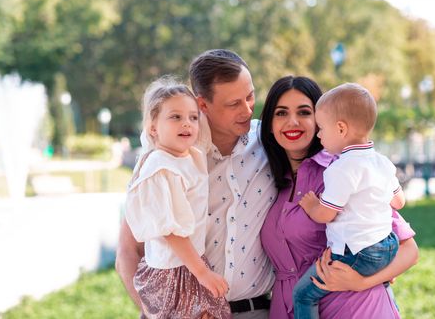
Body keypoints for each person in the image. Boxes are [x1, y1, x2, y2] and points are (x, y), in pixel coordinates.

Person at [116, 49, 277, 318]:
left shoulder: (269, 142)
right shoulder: (166, 158)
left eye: (250, 96)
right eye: (233, 103)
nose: (247, 109)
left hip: (256, 310)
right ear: (203, 105)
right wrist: (159, 313)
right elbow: (128, 251)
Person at [259, 76, 419, 318]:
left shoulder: (346, 170)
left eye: (305, 112)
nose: (292, 122)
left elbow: (409, 251)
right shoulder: (266, 180)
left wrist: (362, 282)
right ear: (269, 123)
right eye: (281, 113)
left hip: (356, 307)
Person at [293, 82, 405, 319]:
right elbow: (399, 202)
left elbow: (325, 214)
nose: (319, 135)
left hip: (355, 253)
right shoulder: (382, 162)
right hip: (388, 247)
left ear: (341, 128)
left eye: (322, 128)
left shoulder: (341, 168)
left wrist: (312, 205)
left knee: (302, 294)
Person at [124, 77, 231, 318]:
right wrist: (202, 272)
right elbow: (171, 230)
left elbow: (201, 128)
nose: (187, 124)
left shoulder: (190, 154)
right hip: (174, 271)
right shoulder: (159, 166)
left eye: (193, 117)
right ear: (153, 127)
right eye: (175, 117)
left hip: (189, 263)